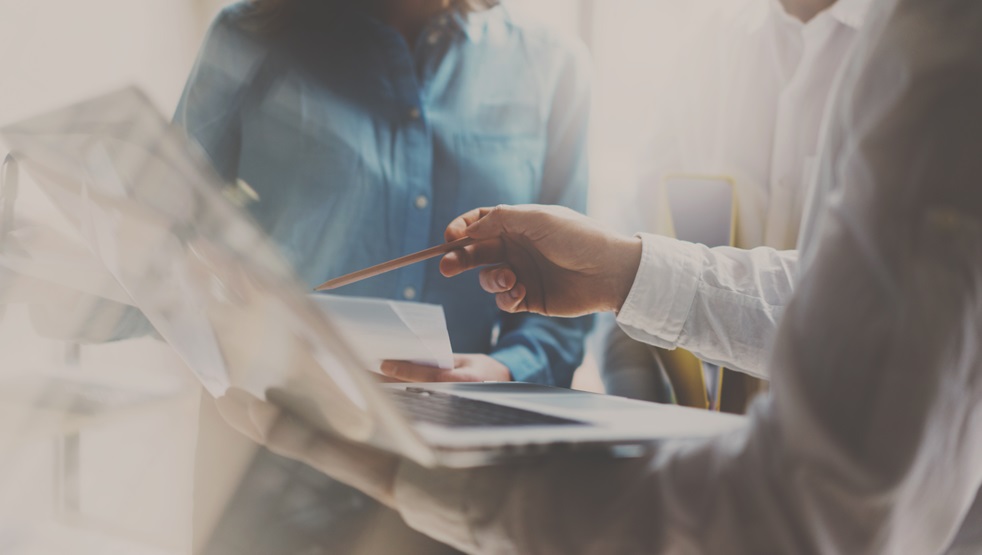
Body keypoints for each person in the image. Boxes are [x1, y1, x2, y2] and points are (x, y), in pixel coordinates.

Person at [216, 0, 982, 551]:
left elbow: (811, 512)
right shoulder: (714, 57)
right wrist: (626, 270)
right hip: (286, 472)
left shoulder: (940, 47)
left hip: (521, 489)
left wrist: (416, 472)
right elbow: (835, 299)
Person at [174, 0, 592, 387]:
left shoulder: (552, 64)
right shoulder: (247, 35)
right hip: (265, 412)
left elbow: (562, 292)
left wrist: (508, 370)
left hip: (464, 429)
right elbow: (164, 234)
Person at [602, 0, 871, 406]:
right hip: (706, 431)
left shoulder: (924, 56)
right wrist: (636, 408)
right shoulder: (705, 48)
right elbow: (637, 234)